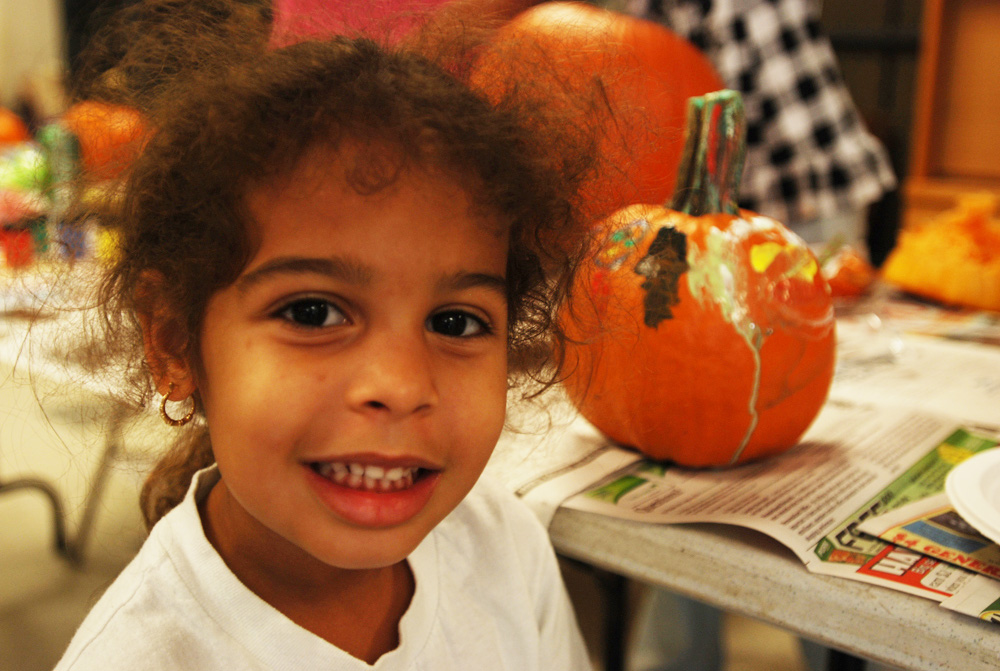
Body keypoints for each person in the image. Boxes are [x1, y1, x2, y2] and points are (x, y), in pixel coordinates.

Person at [53, 1, 605, 668]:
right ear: (173, 340)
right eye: (313, 313)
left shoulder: (503, 546)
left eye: (455, 321)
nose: (400, 387)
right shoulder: (139, 656)